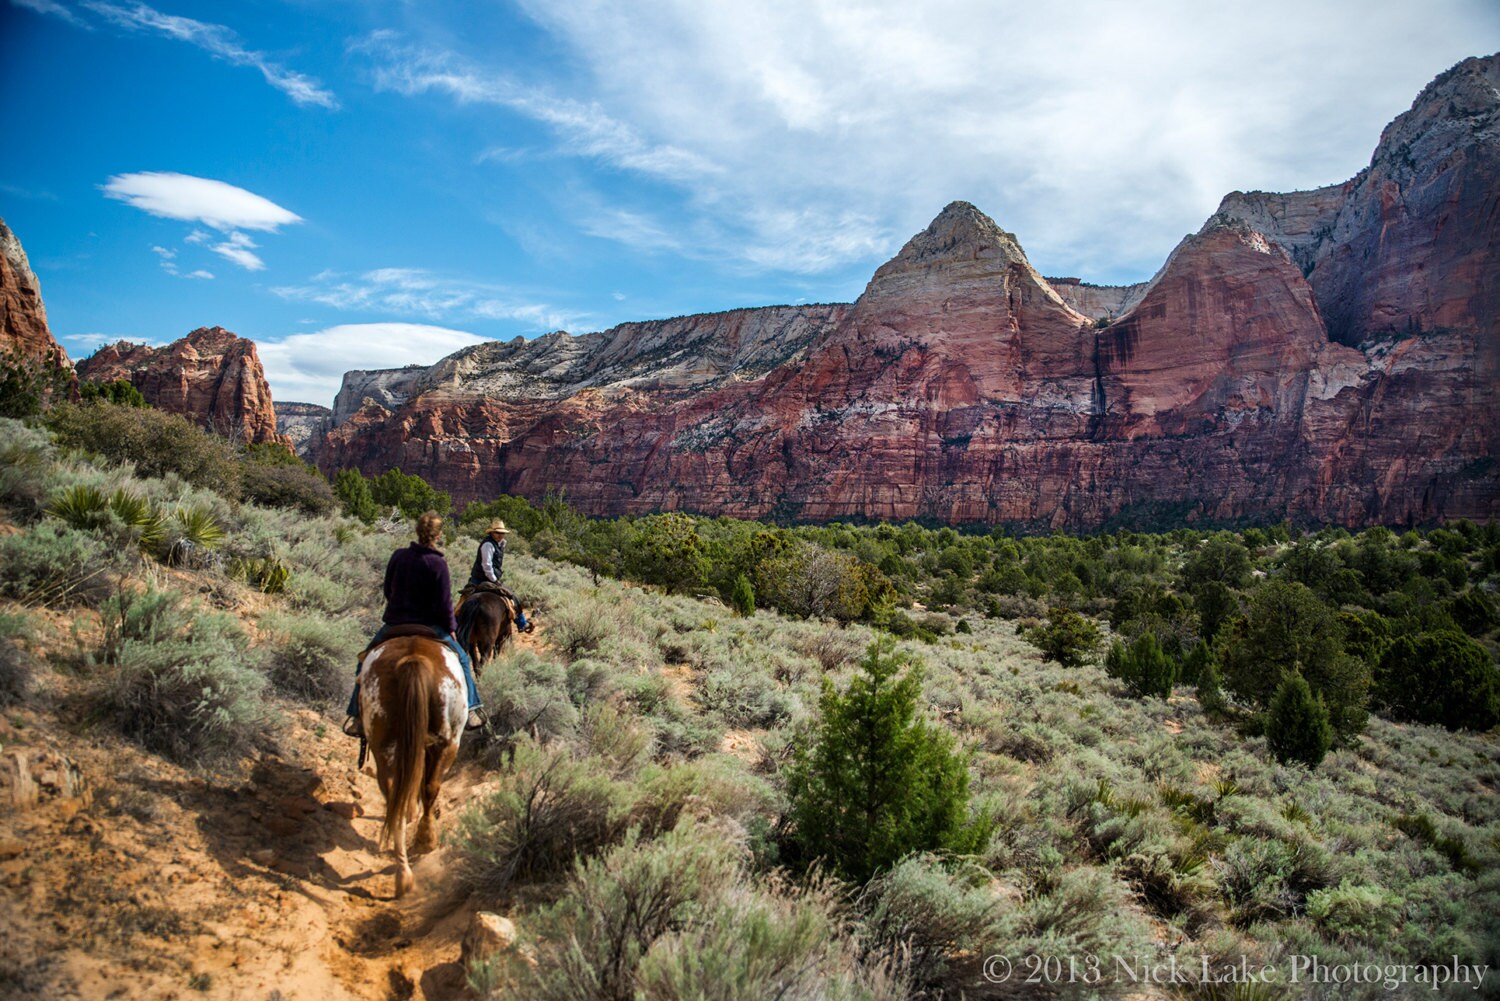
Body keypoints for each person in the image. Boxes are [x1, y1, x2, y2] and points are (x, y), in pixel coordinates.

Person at [343, 511, 483, 738]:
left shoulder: (399, 556)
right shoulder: (438, 563)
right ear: (438, 535)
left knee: (366, 659)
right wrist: (450, 629)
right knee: (464, 660)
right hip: (430, 626)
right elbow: (445, 604)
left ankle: (356, 716)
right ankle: (474, 708)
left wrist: (399, 608)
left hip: (396, 623)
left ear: (418, 531)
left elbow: (388, 589)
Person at [464, 518, 531, 632]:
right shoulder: (488, 545)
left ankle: (521, 624)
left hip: (482, 579)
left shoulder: (500, 544)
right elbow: (487, 565)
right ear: (492, 533)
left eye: (502, 533)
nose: (500, 535)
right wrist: (494, 580)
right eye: (497, 533)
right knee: (512, 596)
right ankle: (522, 623)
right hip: (482, 579)